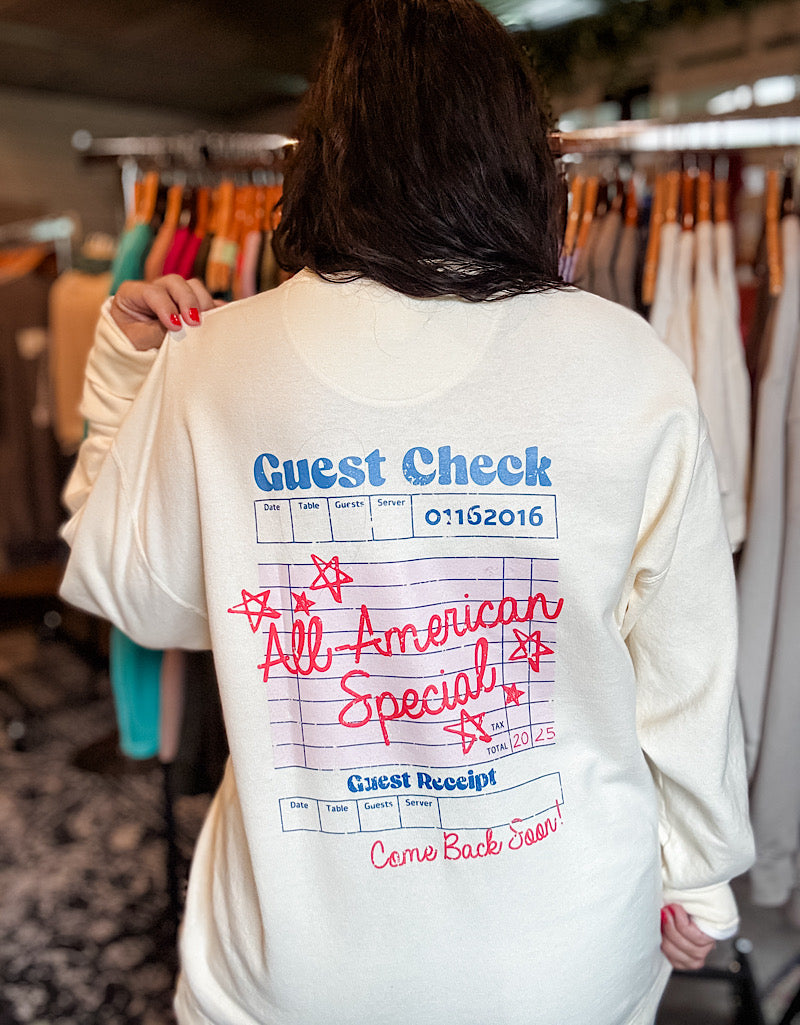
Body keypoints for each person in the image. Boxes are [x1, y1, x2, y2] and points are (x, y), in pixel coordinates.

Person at [59, 1, 754, 1022]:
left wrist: (127, 376)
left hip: (298, 958)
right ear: (523, 156)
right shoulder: (626, 363)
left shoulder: (218, 360)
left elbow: (141, 597)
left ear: (323, 158)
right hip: (563, 950)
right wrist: (698, 868)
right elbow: (687, 661)